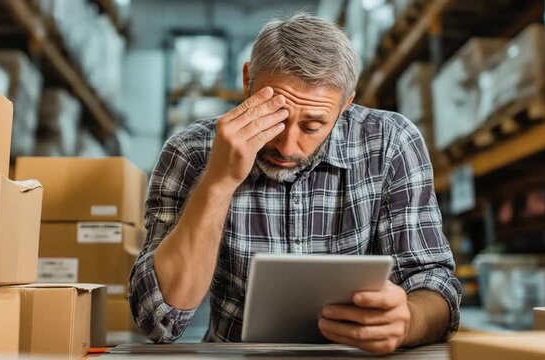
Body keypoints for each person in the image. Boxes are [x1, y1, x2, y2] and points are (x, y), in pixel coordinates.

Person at [129, 13, 461, 354]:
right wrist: (218, 180)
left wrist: (407, 319)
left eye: (313, 125)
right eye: (277, 116)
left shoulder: (391, 143)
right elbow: (158, 321)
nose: (287, 147)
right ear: (248, 81)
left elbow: (436, 287)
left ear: (346, 104)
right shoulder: (190, 151)